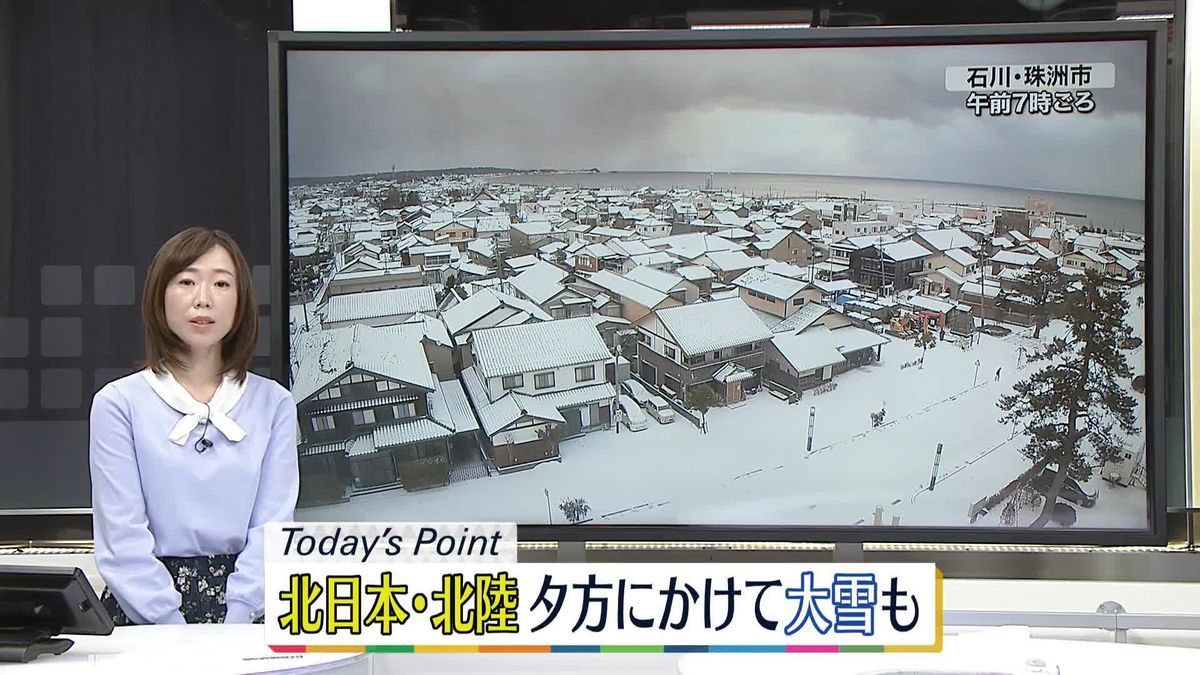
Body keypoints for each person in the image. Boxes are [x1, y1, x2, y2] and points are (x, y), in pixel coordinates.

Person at [89, 227, 298, 625]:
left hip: (253, 606)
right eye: (186, 281)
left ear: (241, 302)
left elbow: (273, 528)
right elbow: (122, 538)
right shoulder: (118, 404)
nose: (204, 298)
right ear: (160, 296)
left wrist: (237, 619)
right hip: (144, 611)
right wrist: (170, 627)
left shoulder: (274, 404)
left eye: (221, 283)